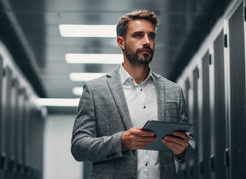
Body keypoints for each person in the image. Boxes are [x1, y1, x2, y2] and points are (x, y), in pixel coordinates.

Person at [71, 9, 196, 179]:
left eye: (151, 36)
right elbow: (79, 147)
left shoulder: (173, 91)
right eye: (138, 35)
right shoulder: (95, 90)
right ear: (121, 42)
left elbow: (191, 148)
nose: (147, 42)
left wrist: (182, 149)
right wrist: (122, 141)